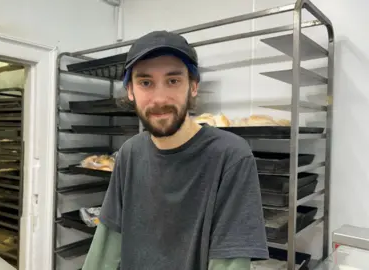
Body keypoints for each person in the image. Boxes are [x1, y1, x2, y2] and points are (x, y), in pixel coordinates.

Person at [82, 30, 269, 270]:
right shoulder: (130, 152)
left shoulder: (230, 155)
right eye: (145, 82)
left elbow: (229, 263)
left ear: (193, 86)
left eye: (173, 80)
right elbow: (106, 245)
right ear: (130, 91)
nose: (159, 99)